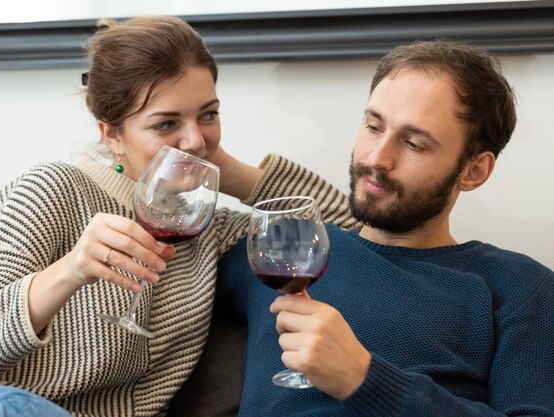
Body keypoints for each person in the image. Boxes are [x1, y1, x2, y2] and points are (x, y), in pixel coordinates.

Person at [0, 16, 355, 417]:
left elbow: (349, 229)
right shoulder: (51, 190)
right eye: (166, 123)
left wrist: (220, 165)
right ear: (111, 134)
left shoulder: (208, 231)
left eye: (208, 113)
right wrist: (71, 271)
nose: (192, 137)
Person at [216, 40, 554, 416]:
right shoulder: (282, 252)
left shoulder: (519, 287)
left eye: (413, 143)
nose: (377, 158)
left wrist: (362, 378)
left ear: (473, 171)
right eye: (374, 126)